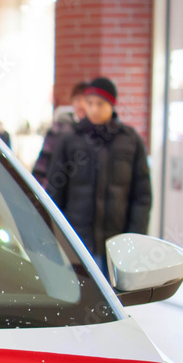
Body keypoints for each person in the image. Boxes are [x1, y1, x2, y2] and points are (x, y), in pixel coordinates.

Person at [45, 77, 151, 274]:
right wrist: (54, 235)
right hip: (76, 238)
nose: (93, 109)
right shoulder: (70, 139)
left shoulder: (130, 140)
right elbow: (54, 190)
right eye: (90, 103)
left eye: (100, 104)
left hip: (115, 239)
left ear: (111, 105)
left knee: (112, 296)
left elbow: (142, 196)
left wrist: (135, 238)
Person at [32, 81, 88, 186]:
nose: (82, 104)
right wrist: (37, 184)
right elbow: (44, 158)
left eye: (86, 100)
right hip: (56, 181)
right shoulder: (59, 127)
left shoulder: (91, 131)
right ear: (72, 102)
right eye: (78, 100)